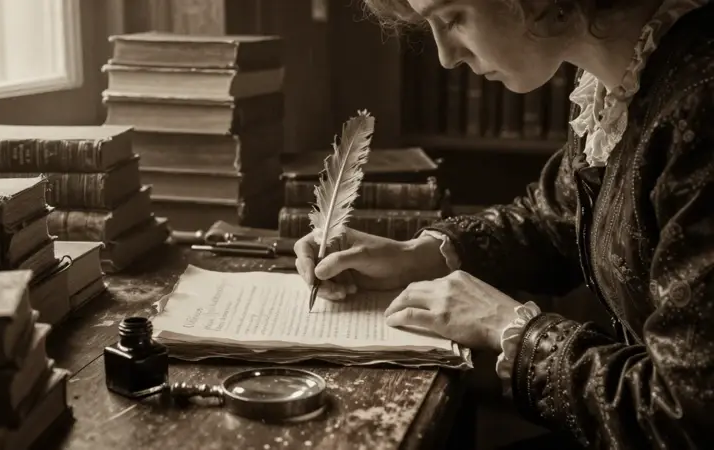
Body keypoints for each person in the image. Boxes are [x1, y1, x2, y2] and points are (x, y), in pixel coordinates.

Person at [293, 0, 714, 448]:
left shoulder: (701, 101)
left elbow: (685, 412)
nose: (446, 57)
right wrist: (418, 256)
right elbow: (555, 220)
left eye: (453, 18)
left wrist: (512, 328)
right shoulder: (611, 76)